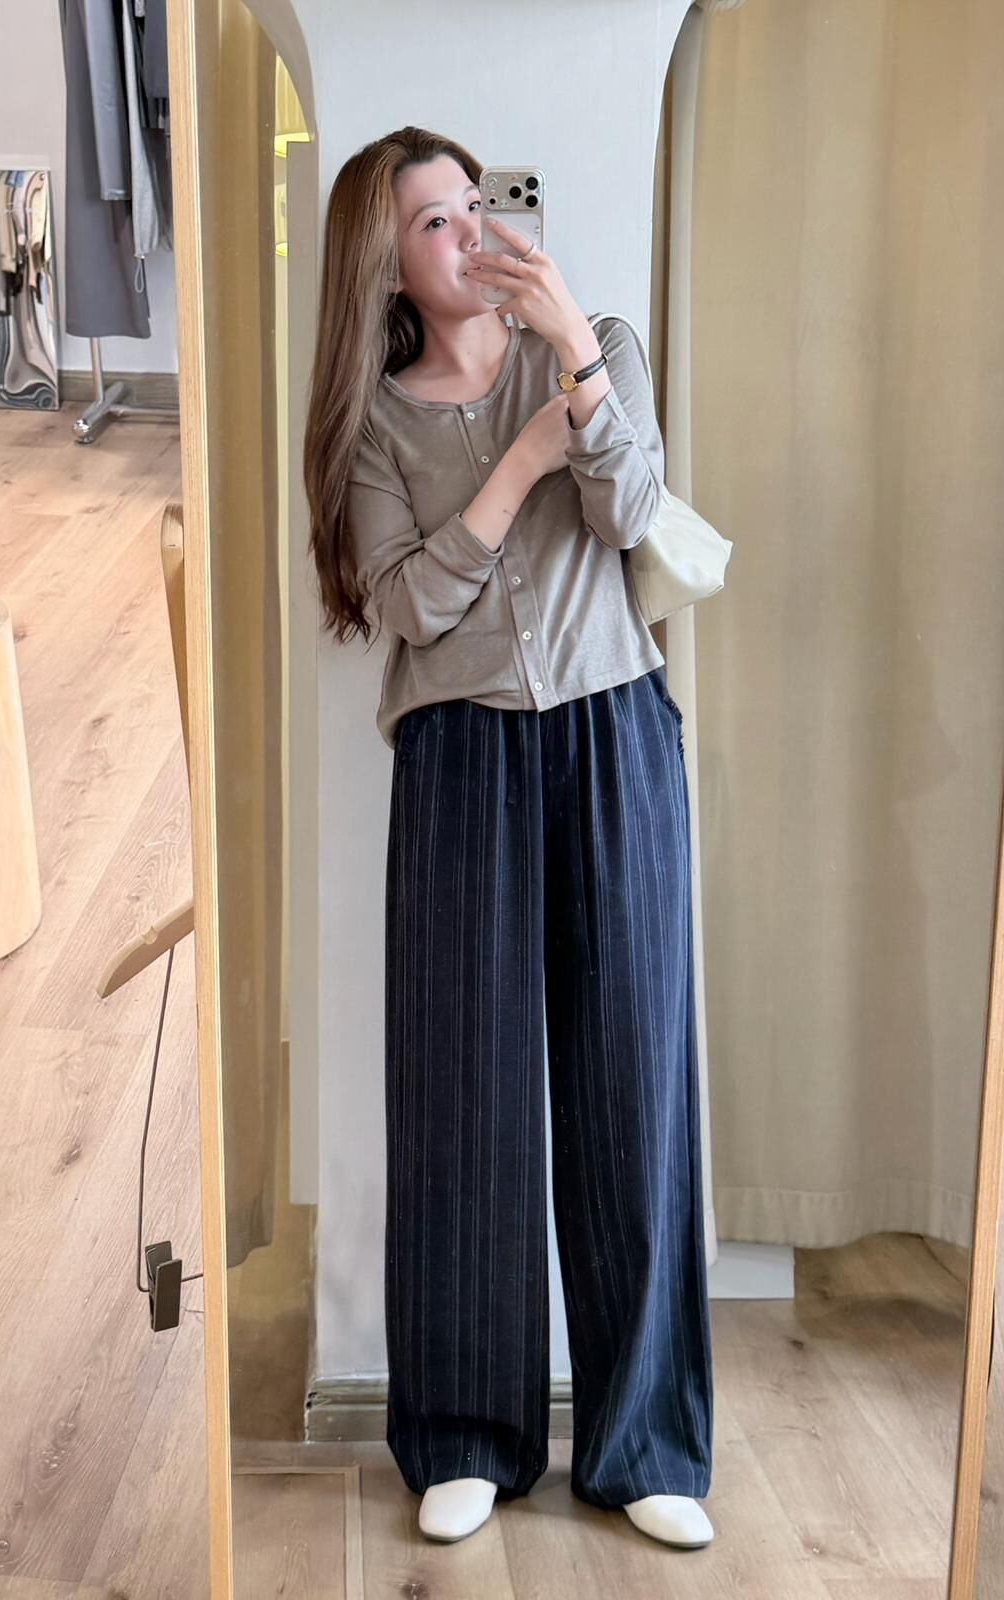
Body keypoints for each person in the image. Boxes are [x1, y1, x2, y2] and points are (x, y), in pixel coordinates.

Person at [303, 125, 715, 1550]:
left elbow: (632, 512)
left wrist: (573, 368)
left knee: (633, 1084)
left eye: (476, 204)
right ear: (386, 267)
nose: (470, 232)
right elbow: (410, 606)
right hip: (461, 757)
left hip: (614, 734)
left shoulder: (595, 346)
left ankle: (643, 1440)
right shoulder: (374, 425)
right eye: (434, 221)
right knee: (462, 1096)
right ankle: (468, 1433)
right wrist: (520, 460)